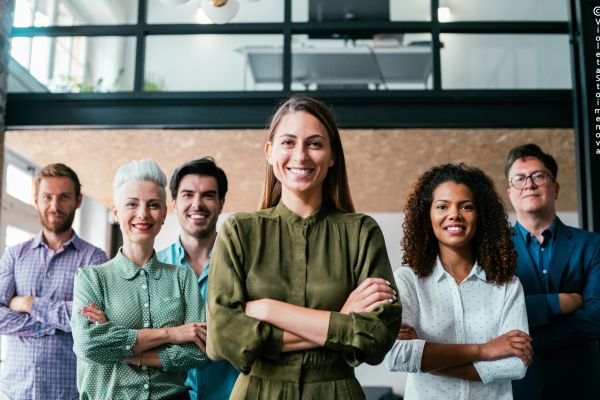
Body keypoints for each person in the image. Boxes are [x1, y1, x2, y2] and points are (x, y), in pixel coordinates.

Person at [206, 95, 402, 399]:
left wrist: (269, 310)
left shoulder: (362, 232)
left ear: (332, 156)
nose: (300, 156)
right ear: (270, 153)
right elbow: (222, 338)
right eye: (288, 142)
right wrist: (341, 320)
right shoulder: (238, 231)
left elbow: (377, 336)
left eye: (315, 144)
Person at [385, 163, 531, 400]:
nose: (454, 214)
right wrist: (485, 350)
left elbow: (515, 364)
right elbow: (397, 356)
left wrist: (424, 357)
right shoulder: (408, 280)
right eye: (442, 206)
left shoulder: (507, 285)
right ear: (427, 215)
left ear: (480, 215)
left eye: (466, 206)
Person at [71, 159, 208, 400]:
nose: (143, 214)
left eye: (153, 205)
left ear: (164, 214)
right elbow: (89, 346)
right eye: (132, 204)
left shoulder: (182, 277)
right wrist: (173, 334)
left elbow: (198, 351)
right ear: (116, 212)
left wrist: (122, 348)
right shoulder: (91, 279)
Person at [0, 163, 107, 400]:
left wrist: (30, 304)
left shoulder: (94, 258)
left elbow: (92, 320)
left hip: (69, 393)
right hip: (16, 391)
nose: (54, 206)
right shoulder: (15, 256)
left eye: (64, 197)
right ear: (36, 199)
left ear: (78, 200)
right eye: (47, 197)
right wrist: (58, 325)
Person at [505, 144, 600, 400]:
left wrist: (528, 339)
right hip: (517, 387)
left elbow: (596, 317)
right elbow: (490, 312)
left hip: (580, 384)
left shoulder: (592, 245)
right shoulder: (492, 250)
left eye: (539, 175)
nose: (530, 184)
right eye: (520, 178)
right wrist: (555, 303)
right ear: (510, 192)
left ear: (555, 188)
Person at [158, 157, 238, 400]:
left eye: (208, 195)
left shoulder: (242, 267)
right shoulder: (153, 267)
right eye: (188, 194)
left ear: (221, 203)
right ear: (173, 203)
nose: (197, 203)